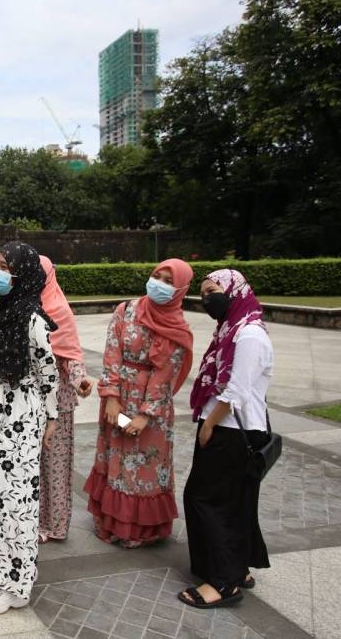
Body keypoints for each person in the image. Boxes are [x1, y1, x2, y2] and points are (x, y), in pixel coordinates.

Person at [0, 241, 59, 616]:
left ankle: (13, 585)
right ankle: (6, 564)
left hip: (23, 417)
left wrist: (50, 419)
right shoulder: (4, 311)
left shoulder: (32, 320)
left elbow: (48, 373)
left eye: (6, 266)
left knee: (14, 501)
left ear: (23, 275)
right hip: (0, 414)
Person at [179, 269, 273, 609]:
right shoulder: (231, 329)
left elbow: (237, 392)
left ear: (236, 290)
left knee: (204, 500)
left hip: (231, 430)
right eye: (203, 294)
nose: (208, 299)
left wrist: (209, 425)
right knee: (232, 503)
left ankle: (222, 582)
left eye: (214, 290)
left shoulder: (248, 334)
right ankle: (236, 569)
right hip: (228, 428)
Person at [84, 259, 194, 548]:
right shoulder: (127, 310)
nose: (160, 283)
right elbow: (111, 354)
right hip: (118, 397)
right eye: (157, 276)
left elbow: (166, 372)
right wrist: (110, 397)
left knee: (143, 467)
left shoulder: (177, 327)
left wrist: (146, 415)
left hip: (152, 407)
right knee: (115, 459)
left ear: (181, 288)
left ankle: (139, 530)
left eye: (169, 281)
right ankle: (110, 523)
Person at [36, 256, 92, 542]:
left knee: (54, 466)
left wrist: (80, 380)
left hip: (56, 402)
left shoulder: (58, 309)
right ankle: (31, 520)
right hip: (26, 400)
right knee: (31, 465)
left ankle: (54, 525)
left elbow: (71, 354)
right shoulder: (17, 304)